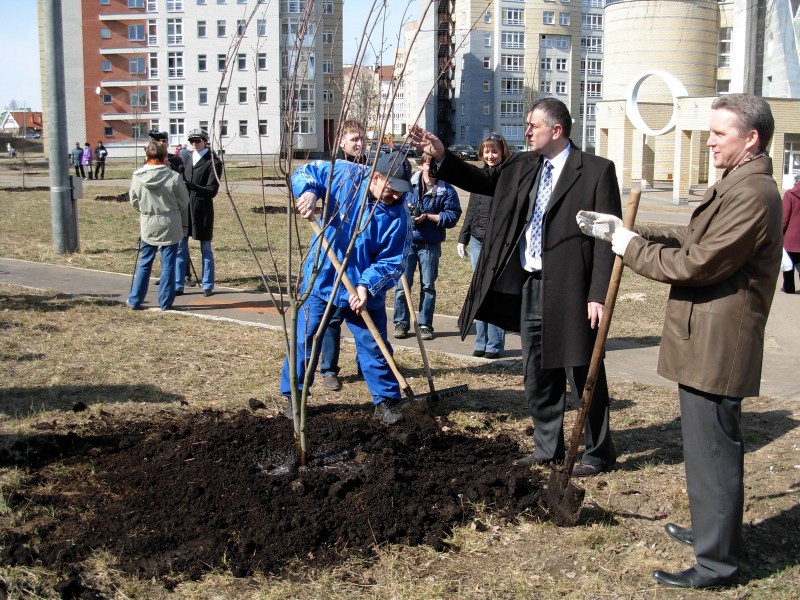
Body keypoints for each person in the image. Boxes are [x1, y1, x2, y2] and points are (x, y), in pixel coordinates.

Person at [579, 94, 782, 589]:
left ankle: (717, 564)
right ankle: (712, 534)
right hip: (705, 339)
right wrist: (625, 230)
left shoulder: (754, 194)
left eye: (719, 134)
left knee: (714, 451)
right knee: (704, 448)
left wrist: (631, 247)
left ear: (751, 138)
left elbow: (696, 263)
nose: (709, 141)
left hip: (719, 343)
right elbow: (692, 235)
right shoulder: (737, 185)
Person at [409, 97, 621, 477]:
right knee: (537, 370)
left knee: (581, 369)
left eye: (532, 126)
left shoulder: (595, 171)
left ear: (556, 130)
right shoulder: (521, 165)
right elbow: (481, 180)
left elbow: (608, 239)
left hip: (573, 290)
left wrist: (597, 295)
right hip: (531, 285)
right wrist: (441, 155)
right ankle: (547, 447)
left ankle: (598, 453)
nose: (525, 132)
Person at [282, 151, 412, 425]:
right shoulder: (346, 175)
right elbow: (306, 173)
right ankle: (294, 396)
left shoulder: (398, 216)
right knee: (305, 338)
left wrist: (367, 285)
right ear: (376, 177)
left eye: (401, 192)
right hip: (323, 277)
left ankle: (386, 401)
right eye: (392, 189)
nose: (397, 197)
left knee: (373, 343)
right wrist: (309, 193)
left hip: (362, 289)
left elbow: (393, 261)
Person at [318, 119, 368, 391]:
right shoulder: (333, 169)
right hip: (337, 249)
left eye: (362, 138)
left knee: (364, 311)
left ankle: (367, 363)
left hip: (363, 250)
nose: (359, 144)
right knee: (333, 314)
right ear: (342, 143)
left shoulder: (371, 169)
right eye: (353, 140)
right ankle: (329, 369)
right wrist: (310, 195)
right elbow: (311, 181)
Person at [393, 152, 462, 340]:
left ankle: (425, 325)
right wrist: (408, 215)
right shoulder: (409, 185)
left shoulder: (446, 189)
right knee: (403, 285)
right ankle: (401, 322)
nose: (431, 169)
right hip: (407, 242)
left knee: (428, 285)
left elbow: (453, 215)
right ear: (421, 165)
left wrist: (430, 217)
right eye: (427, 165)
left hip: (430, 243)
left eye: (435, 166)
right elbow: (394, 206)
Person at [456, 132, 510, 358]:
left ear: (502, 152)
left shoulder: (507, 177)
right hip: (478, 240)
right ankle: (481, 340)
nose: (490, 155)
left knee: (493, 290)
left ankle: (495, 344)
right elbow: (472, 209)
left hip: (497, 242)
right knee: (479, 290)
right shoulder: (479, 175)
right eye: (486, 151)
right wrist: (463, 237)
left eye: (494, 150)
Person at [128, 141, 190, 311]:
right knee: (168, 263)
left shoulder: (138, 176)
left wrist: (146, 210)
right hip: (170, 222)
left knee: (145, 261)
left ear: (147, 156)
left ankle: (135, 299)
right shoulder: (173, 176)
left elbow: (134, 201)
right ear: (164, 157)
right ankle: (165, 302)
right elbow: (184, 201)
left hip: (148, 222)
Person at [175, 128, 222, 297]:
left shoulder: (214, 162)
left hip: (202, 211)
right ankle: (178, 284)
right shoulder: (186, 157)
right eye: (192, 141)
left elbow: (212, 190)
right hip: (185, 210)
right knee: (180, 248)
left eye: (198, 141)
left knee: (206, 248)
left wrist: (193, 187)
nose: (194, 144)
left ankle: (208, 284)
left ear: (205, 141)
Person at [781, 174, 800, 293]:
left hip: (790, 237)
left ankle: (789, 288)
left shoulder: (789, 195)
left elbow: (784, 218)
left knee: (788, 264)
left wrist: (780, 233)